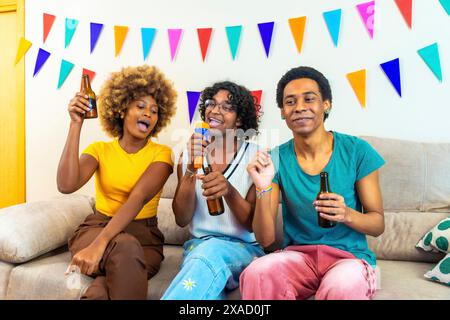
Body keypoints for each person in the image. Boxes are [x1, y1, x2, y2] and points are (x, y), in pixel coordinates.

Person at [240, 66, 385, 300]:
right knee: (257, 272)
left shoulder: (357, 151)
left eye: (309, 99)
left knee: (343, 286)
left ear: (326, 104)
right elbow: (266, 239)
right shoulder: (275, 159)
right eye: (290, 102)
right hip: (299, 258)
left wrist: (346, 213)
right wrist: (262, 187)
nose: (299, 107)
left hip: (348, 259)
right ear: (282, 112)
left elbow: (378, 224)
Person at [57, 65, 177, 300]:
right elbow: (66, 185)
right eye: (140, 106)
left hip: (144, 239)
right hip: (96, 228)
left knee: (102, 287)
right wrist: (75, 124)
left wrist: (99, 246)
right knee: (124, 248)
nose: (148, 114)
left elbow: (138, 198)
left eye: (154, 111)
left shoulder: (162, 154)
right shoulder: (100, 150)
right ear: (122, 109)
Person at [161, 81, 265, 300]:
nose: (215, 110)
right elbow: (181, 218)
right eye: (211, 104)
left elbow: (252, 225)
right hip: (198, 249)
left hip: (243, 250)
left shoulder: (256, 157)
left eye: (227, 107)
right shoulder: (188, 154)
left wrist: (228, 190)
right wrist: (191, 168)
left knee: (209, 255)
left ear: (239, 119)